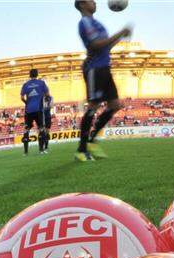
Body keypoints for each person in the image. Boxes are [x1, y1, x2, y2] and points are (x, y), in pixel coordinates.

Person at [74, 0, 132, 162]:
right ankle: (81, 149)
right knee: (93, 106)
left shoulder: (96, 23)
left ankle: (92, 141)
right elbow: (96, 45)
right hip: (94, 69)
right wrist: (120, 32)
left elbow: (105, 46)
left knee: (115, 105)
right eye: (91, 1)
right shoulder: (85, 22)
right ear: (83, 5)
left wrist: (120, 36)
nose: (95, 2)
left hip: (105, 67)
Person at [20, 69, 51, 155]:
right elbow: (47, 94)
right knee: (41, 128)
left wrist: (27, 103)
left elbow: (22, 97)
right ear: (37, 74)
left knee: (26, 130)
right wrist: (42, 96)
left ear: (29, 75)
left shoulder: (25, 84)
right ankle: (41, 150)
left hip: (29, 110)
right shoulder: (41, 83)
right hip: (39, 109)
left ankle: (25, 152)